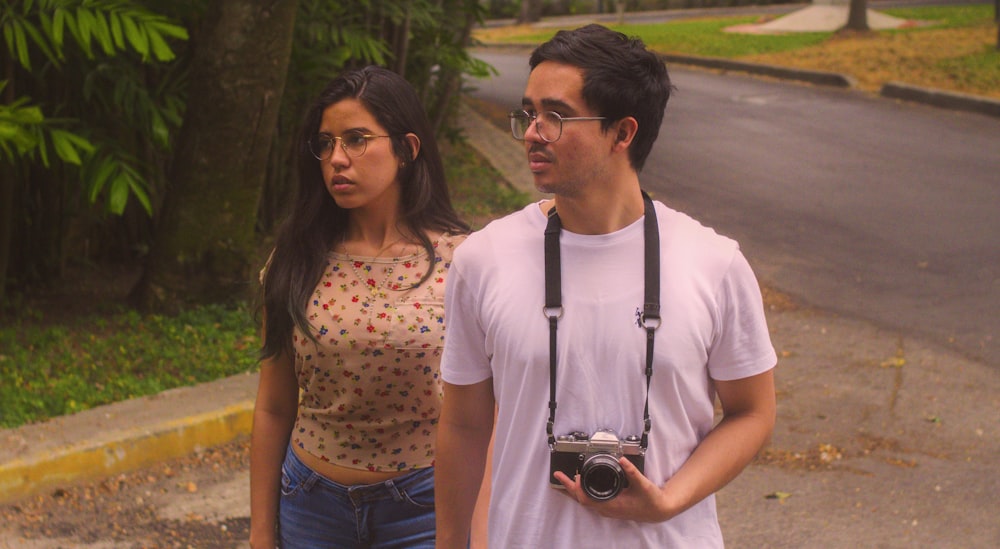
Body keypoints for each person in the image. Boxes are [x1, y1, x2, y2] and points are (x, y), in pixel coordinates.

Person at [435, 24, 777, 548]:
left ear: (623, 133)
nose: (532, 132)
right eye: (528, 113)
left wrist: (670, 500)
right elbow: (463, 427)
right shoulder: (483, 260)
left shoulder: (714, 263)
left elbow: (753, 412)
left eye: (557, 116)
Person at [249, 65, 472, 549]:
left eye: (355, 139)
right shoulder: (296, 259)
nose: (336, 159)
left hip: (425, 507)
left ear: (408, 149)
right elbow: (273, 405)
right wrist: (261, 533)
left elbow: (485, 414)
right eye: (325, 143)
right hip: (309, 503)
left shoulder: (465, 262)